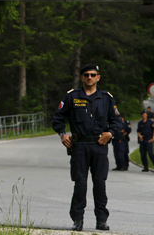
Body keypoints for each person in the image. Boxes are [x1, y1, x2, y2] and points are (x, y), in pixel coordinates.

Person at [52, 64, 122, 232]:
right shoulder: (72, 96)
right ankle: (77, 219)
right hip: (79, 146)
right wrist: (62, 134)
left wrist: (110, 133)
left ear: (98, 77)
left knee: (99, 184)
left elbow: (117, 121)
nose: (89, 77)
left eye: (93, 75)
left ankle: (101, 219)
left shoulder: (106, 98)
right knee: (80, 184)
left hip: (99, 145)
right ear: (82, 77)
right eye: (86, 75)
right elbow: (57, 118)